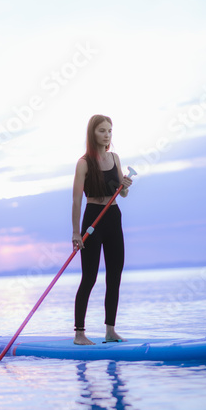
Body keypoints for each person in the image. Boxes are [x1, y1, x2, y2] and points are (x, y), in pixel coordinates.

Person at [72, 114, 133, 345]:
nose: (107, 134)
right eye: (102, 130)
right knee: (89, 277)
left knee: (115, 276)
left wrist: (125, 186)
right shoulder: (84, 163)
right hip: (92, 220)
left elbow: (122, 194)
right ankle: (79, 333)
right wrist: (76, 232)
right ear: (92, 133)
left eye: (109, 130)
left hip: (113, 218)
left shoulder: (115, 158)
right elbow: (76, 200)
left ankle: (110, 331)